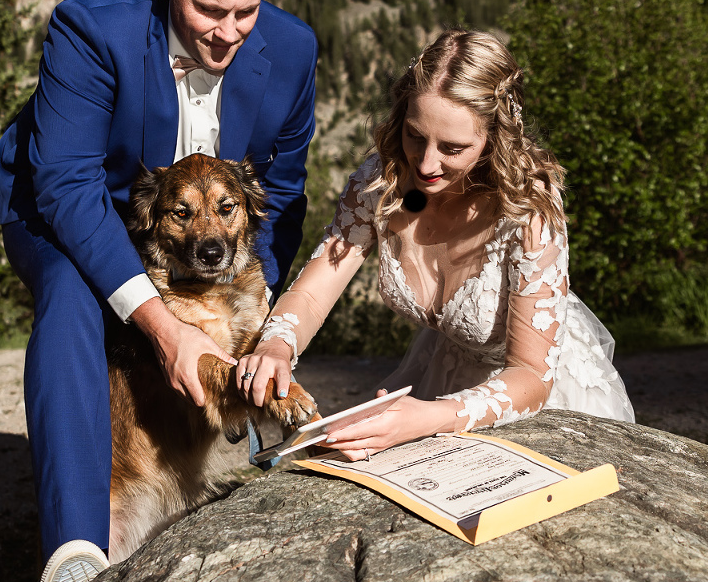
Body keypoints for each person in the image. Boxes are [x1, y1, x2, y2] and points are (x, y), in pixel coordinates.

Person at [0, 0, 317, 582]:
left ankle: (241, 423)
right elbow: (68, 186)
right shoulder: (91, 25)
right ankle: (77, 547)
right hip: (61, 198)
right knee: (76, 296)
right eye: (208, 11)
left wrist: (256, 325)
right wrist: (163, 326)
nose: (228, 34)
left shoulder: (291, 51)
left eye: (245, 12)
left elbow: (281, 196)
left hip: (187, 212)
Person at [234, 29, 633, 460]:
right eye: (414, 136)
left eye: (453, 148)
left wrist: (423, 418)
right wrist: (277, 344)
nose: (425, 164)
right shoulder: (382, 181)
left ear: (493, 141)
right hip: (442, 377)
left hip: (532, 397)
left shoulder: (528, 205)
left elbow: (532, 374)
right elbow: (314, 293)